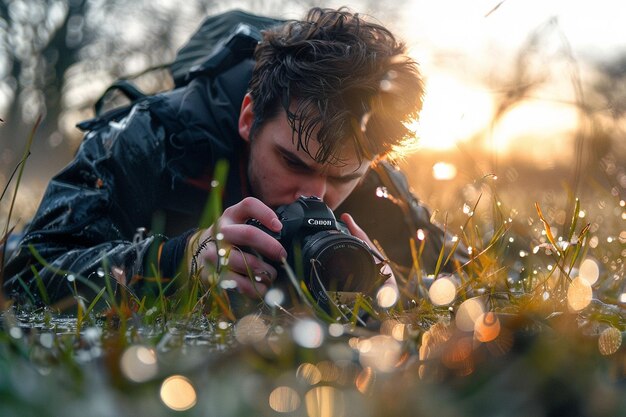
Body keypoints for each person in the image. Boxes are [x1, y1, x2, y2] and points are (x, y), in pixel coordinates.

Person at [3, 7, 461, 309]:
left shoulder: (372, 179)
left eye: (343, 177)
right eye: (294, 163)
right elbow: (26, 271)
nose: (315, 195)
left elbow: (456, 280)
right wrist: (176, 262)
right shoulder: (153, 138)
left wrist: (393, 285)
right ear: (248, 119)